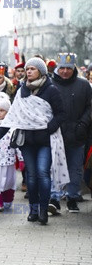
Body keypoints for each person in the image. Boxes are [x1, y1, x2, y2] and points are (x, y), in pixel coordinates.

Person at [0, 57, 68, 225]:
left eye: (32, 69)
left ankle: (43, 210)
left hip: (45, 140)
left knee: (43, 173)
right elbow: (12, 116)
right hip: (27, 140)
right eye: (27, 69)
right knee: (32, 176)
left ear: (40, 71)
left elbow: (61, 114)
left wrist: (49, 127)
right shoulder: (21, 91)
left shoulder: (51, 90)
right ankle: (33, 210)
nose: (28, 72)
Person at [49, 53, 91, 214]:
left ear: (74, 68)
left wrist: (83, 123)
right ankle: (55, 197)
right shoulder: (50, 84)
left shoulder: (84, 85)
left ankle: (72, 197)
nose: (65, 71)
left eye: (68, 68)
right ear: (57, 68)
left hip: (77, 133)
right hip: (56, 134)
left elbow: (89, 107)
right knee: (55, 167)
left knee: (75, 168)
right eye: (62, 68)